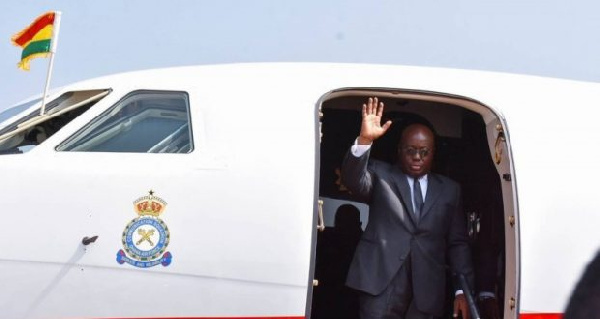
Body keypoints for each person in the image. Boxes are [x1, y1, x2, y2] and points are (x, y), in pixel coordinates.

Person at [341, 97, 474, 319]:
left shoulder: (450, 190)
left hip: (426, 291)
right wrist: (364, 140)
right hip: (381, 286)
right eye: (411, 150)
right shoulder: (381, 175)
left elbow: (457, 244)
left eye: (424, 152)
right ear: (399, 150)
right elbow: (352, 180)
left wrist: (462, 290)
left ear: (433, 153)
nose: (417, 158)